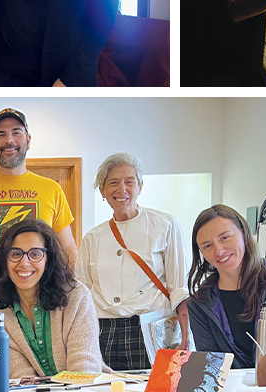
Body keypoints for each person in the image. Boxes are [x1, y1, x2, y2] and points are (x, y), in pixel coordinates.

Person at [76, 153, 191, 370]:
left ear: (140, 186)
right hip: (103, 332)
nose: (122, 190)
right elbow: (82, 293)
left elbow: (179, 288)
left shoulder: (165, 225)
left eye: (129, 182)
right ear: (102, 189)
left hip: (149, 328)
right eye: (113, 183)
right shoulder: (92, 237)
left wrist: (185, 339)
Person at [187, 205, 266, 368]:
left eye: (225, 238)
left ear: (243, 232)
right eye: (207, 246)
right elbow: (212, 369)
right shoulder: (200, 303)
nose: (219, 251)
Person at [0, 108, 79, 267]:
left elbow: (67, 250)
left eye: (16, 132)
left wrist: (70, 289)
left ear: (28, 139)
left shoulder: (52, 190)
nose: (9, 140)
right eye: (1, 134)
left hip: (39, 290)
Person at [0, 219, 103, 377]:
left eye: (35, 254)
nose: (24, 262)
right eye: (16, 253)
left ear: (48, 260)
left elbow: (84, 370)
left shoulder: (77, 297)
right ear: (4, 260)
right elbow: (22, 381)